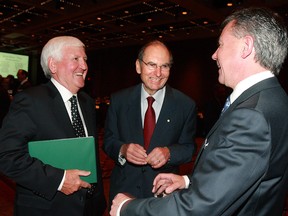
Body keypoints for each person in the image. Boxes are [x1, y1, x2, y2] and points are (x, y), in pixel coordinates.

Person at [110, 7, 288, 216]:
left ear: (246, 46)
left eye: (220, 45)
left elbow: (199, 206)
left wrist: (126, 208)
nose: (214, 55)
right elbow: (240, 174)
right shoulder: (275, 98)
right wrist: (188, 181)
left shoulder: (251, 115)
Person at [0, 36, 106, 216]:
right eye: (76, 59)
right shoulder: (30, 101)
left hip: (90, 207)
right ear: (53, 65)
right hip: (48, 209)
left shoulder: (87, 102)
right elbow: (7, 155)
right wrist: (59, 179)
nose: (84, 65)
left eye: (85, 59)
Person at [103, 40, 197, 205]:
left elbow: (189, 148)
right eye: (152, 65)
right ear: (138, 66)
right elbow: (108, 142)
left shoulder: (186, 105)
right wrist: (123, 149)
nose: (158, 73)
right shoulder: (119, 100)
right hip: (124, 192)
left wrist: (169, 153)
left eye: (165, 66)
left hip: (163, 194)